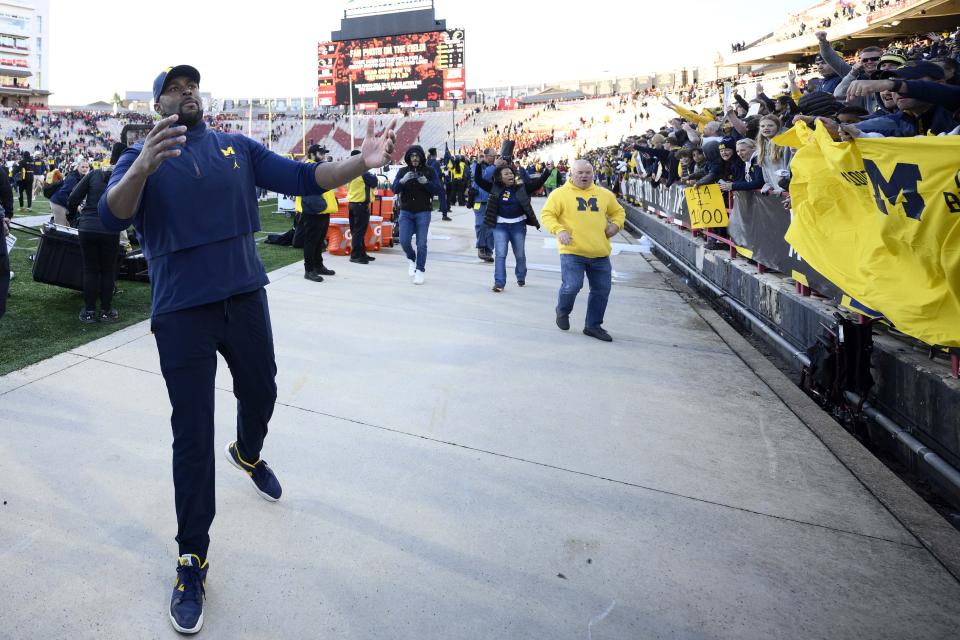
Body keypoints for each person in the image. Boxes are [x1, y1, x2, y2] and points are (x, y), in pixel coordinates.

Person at [98, 64, 396, 634]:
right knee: (191, 435)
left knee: (262, 391)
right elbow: (113, 213)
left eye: (192, 87)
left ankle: (249, 453)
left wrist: (362, 162)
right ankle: (192, 558)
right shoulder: (142, 158)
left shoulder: (237, 146)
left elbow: (306, 178)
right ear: (158, 104)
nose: (186, 93)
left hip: (244, 297)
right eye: (173, 89)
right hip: (183, 311)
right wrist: (141, 163)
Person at [540, 159, 625, 342]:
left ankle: (593, 326)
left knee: (602, 290)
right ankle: (562, 310)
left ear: (593, 174)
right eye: (580, 173)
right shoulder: (559, 194)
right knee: (572, 285)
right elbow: (547, 215)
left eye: (588, 172)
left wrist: (616, 225)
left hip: (599, 251)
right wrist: (559, 230)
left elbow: (618, 212)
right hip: (572, 250)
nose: (584, 176)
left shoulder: (604, 194)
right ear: (571, 173)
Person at [68, 143, 124, 323]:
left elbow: (73, 197)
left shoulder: (94, 174)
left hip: (87, 226)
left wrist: (74, 214)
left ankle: (90, 311)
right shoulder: (123, 177)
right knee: (108, 270)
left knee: (90, 270)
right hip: (109, 228)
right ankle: (106, 310)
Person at [474, 161, 549, 292]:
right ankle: (499, 283)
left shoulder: (521, 187)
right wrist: (479, 164)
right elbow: (478, 180)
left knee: (519, 254)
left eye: (511, 173)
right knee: (500, 254)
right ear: (499, 177)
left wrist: (547, 171)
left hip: (518, 226)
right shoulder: (494, 187)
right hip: (500, 226)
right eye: (506, 173)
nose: (510, 175)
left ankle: (521, 276)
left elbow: (538, 183)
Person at [392, 144, 441, 285]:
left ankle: (420, 270)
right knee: (404, 241)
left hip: (423, 211)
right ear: (408, 157)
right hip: (406, 211)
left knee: (421, 243)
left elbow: (438, 190)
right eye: (412, 156)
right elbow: (394, 189)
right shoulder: (402, 171)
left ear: (421, 157)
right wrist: (402, 180)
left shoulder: (429, 171)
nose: (414, 158)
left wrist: (426, 183)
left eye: (417, 156)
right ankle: (411, 258)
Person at [297, 144, 338, 282]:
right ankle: (309, 270)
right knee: (311, 241)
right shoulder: (307, 168)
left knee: (319, 241)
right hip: (314, 210)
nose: (324, 156)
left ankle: (318, 265)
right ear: (312, 155)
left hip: (323, 210)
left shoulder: (318, 167)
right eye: (321, 154)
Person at [346, 148, 378, 264]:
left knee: (356, 231)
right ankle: (355, 255)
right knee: (359, 232)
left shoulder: (349, 170)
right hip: (360, 204)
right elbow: (374, 182)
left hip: (352, 203)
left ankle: (361, 253)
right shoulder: (362, 172)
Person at [472, 148, 496, 262]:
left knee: (491, 227)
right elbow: (483, 177)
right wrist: (494, 166)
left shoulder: (495, 167)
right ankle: (481, 247)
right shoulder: (476, 166)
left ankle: (489, 250)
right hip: (479, 202)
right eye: (493, 156)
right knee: (481, 225)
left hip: (491, 201)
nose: (494, 159)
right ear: (486, 156)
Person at [50, 158, 89, 226]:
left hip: (63, 202)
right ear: (78, 166)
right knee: (61, 227)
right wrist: (74, 206)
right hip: (58, 203)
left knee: (68, 226)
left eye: (86, 167)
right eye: (82, 167)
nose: (85, 169)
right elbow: (63, 194)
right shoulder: (73, 178)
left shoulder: (81, 177)